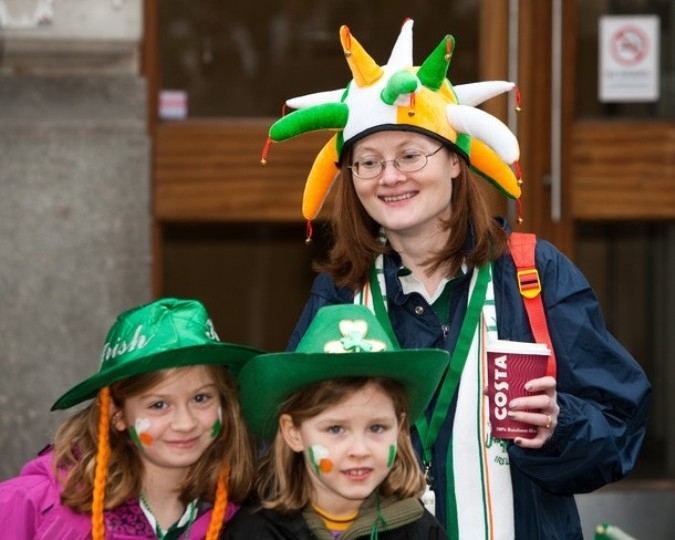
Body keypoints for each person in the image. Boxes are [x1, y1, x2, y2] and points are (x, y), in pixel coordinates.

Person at [260, 18, 652, 540]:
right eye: (368, 162)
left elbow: (620, 429)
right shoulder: (342, 293)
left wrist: (558, 427)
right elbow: (289, 440)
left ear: (454, 162)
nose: (390, 177)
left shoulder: (534, 272)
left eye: (410, 154)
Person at [0, 297, 266, 540]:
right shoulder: (34, 504)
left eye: (200, 399)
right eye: (159, 404)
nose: (185, 423)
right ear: (116, 414)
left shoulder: (245, 518)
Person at [221, 304, 451, 539]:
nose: (359, 450)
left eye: (376, 428)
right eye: (336, 429)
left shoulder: (421, 531)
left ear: (400, 430)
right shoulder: (255, 532)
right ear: (293, 433)